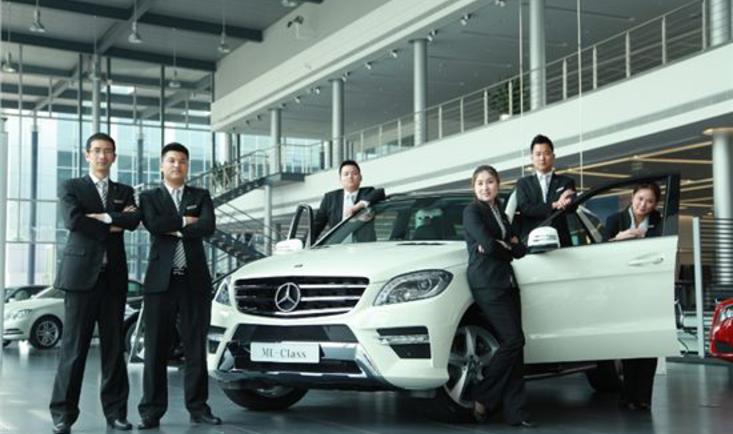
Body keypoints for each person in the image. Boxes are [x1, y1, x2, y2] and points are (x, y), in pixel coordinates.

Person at [49, 133, 140, 434]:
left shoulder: (124, 191)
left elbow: (133, 221)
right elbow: (73, 221)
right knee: (73, 348)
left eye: (108, 151)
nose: (102, 156)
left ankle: (116, 414)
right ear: (87, 155)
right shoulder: (71, 186)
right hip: (80, 278)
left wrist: (100, 217)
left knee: (113, 350)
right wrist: (113, 221)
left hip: (113, 279)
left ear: (114, 157)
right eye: (97, 151)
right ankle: (63, 415)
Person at [137, 143, 221, 429]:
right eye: (171, 160)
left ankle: (198, 408)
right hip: (160, 282)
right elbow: (154, 224)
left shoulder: (201, 195)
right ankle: (151, 410)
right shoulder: (149, 197)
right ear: (162, 165)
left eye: (182, 161)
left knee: (195, 346)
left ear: (187, 166)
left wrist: (173, 226)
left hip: (194, 280)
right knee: (155, 348)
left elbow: (207, 226)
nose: (177, 165)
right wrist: (186, 221)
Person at [462, 165, 532, 428]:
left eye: (490, 182)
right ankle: (482, 394)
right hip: (486, 282)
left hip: (507, 282)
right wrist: (503, 246)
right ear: (474, 187)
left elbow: (521, 249)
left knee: (515, 347)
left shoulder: (499, 212)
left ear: (498, 184)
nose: (485, 187)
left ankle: (517, 412)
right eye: (480, 183)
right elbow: (490, 246)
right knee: (514, 340)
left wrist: (504, 246)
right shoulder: (472, 211)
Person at [605, 182, 663, 411]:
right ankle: (627, 395)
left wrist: (643, 236)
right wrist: (618, 239)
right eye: (640, 198)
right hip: (624, 287)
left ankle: (643, 398)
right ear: (632, 197)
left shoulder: (660, 222)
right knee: (630, 341)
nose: (643, 204)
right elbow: (600, 250)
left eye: (650, 201)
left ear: (655, 204)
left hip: (650, 286)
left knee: (649, 342)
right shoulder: (615, 220)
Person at [515, 134, 575, 246]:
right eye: (538, 154)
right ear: (532, 158)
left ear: (553, 156)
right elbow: (526, 209)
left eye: (546, 153)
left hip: (561, 243)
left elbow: (572, 207)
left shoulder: (566, 182)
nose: (542, 158)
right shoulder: (523, 184)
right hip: (531, 244)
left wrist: (567, 202)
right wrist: (554, 205)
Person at [311, 160, 385, 241]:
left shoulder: (368, 192)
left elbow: (380, 192)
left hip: (364, 245)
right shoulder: (330, 198)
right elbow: (317, 225)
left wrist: (357, 207)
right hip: (337, 244)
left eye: (354, 174)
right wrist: (304, 242)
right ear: (340, 179)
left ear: (360, 178)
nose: (350, 177)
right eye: (346, 174)